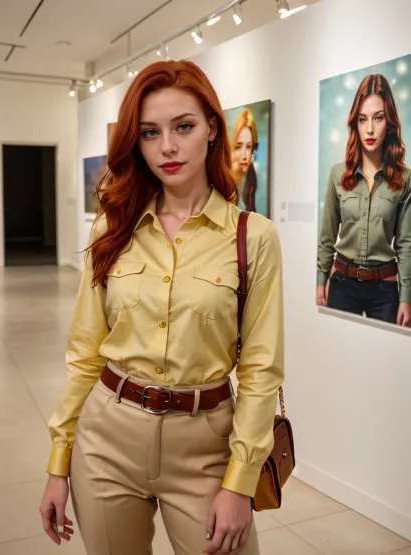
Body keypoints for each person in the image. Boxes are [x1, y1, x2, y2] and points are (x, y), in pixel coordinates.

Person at [39, 59, 284, 555]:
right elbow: (84, 352)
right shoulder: (112, 229)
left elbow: (261, 370)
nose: (167, 147)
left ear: (212, 129)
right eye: (150, 133)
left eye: (184, 127)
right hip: (107, 438)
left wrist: (240, 481)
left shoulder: (252, 237)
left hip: (206, 446)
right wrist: (58, 463)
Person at [317, 73, 411, 327]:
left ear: (388, 122)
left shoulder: (404, 178)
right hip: (342, 286)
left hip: (386, 292)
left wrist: (406, 297)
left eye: (378, 118)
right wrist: (319, 280)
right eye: (363, 119)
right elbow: (327, 235)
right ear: (355, 124)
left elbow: (406, 244)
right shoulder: (338, 174)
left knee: (384, 363)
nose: (369, 129)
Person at [231, 108, 258, 212]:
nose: (244, 156)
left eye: (248, 147)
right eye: (238, 147)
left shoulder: (251, 176)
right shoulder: (225, 182)